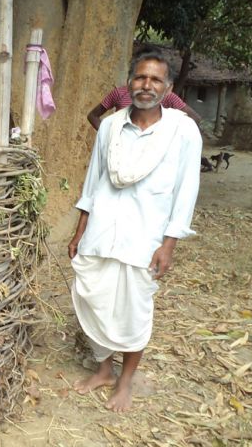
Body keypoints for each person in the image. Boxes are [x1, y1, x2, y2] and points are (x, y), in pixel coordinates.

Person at [68, 46, 201, 412]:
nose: (147, 85)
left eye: (155, 79)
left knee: (134, 311)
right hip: (101, 233)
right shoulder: (110, 126)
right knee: (95, 299)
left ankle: (125, 382)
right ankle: (103, 370)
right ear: (129, 83)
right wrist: (80, 231)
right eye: (140, 77)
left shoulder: (183, 131)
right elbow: (92, 181)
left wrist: (169, 244)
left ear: (168, 87)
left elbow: (186, 192)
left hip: (144, 238)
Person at [87, 84, 201, 130]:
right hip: (120, 151)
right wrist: (108, 134)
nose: (146, 82)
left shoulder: (166, 97)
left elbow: (195, 118)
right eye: (140, 75)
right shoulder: (120, 93)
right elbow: (93, 116)